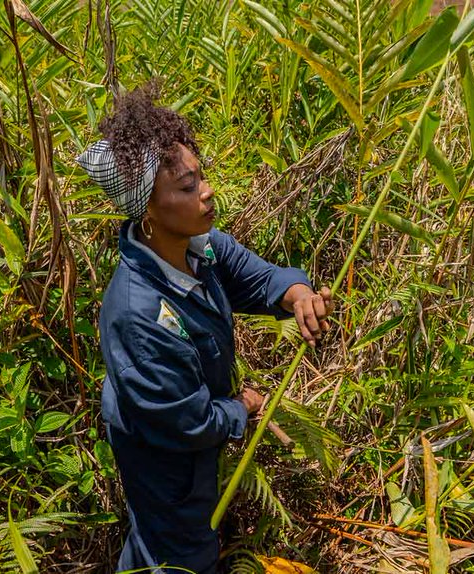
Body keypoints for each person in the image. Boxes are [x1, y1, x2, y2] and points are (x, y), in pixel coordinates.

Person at [76, 83, 333, 573]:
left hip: (192, 451)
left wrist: (298, 294)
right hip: (164, 461)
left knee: (162, 549)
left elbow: (260, 278)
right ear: (147, 210)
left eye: (202, 177)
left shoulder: (200, 247)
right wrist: (241, 407)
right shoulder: (138, 314)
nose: (207, 191)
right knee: (178, 553)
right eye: (187, 187)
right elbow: (187, 422)